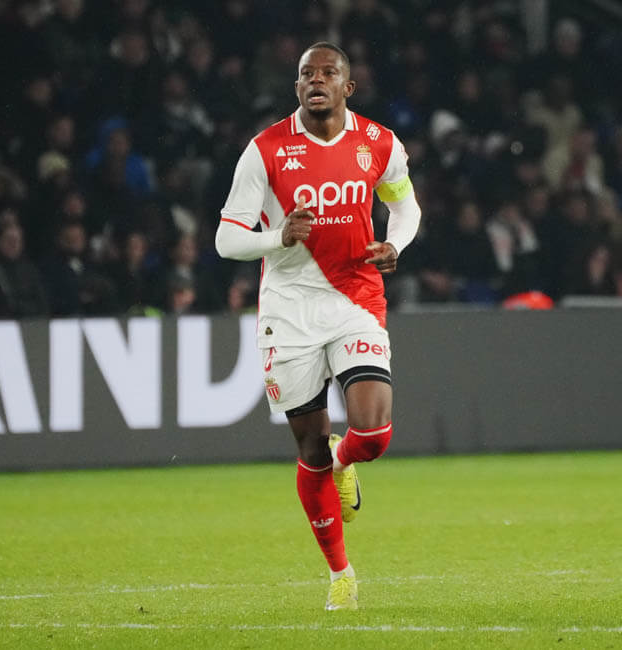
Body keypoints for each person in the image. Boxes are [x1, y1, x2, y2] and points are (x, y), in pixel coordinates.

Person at [215, 42, 421, 611]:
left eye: (328, 73)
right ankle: (341, 575)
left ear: (347, 87)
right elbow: (227, 238)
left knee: (373, 434)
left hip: (356, 299)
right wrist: (276, 237)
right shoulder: (265, 149)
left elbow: (405, 208)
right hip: (288, 310)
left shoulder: (379, 143)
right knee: (309, 447)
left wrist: (395, 244)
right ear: (297, 87)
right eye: (307, 73)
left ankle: (345, 459)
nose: (316, 81)